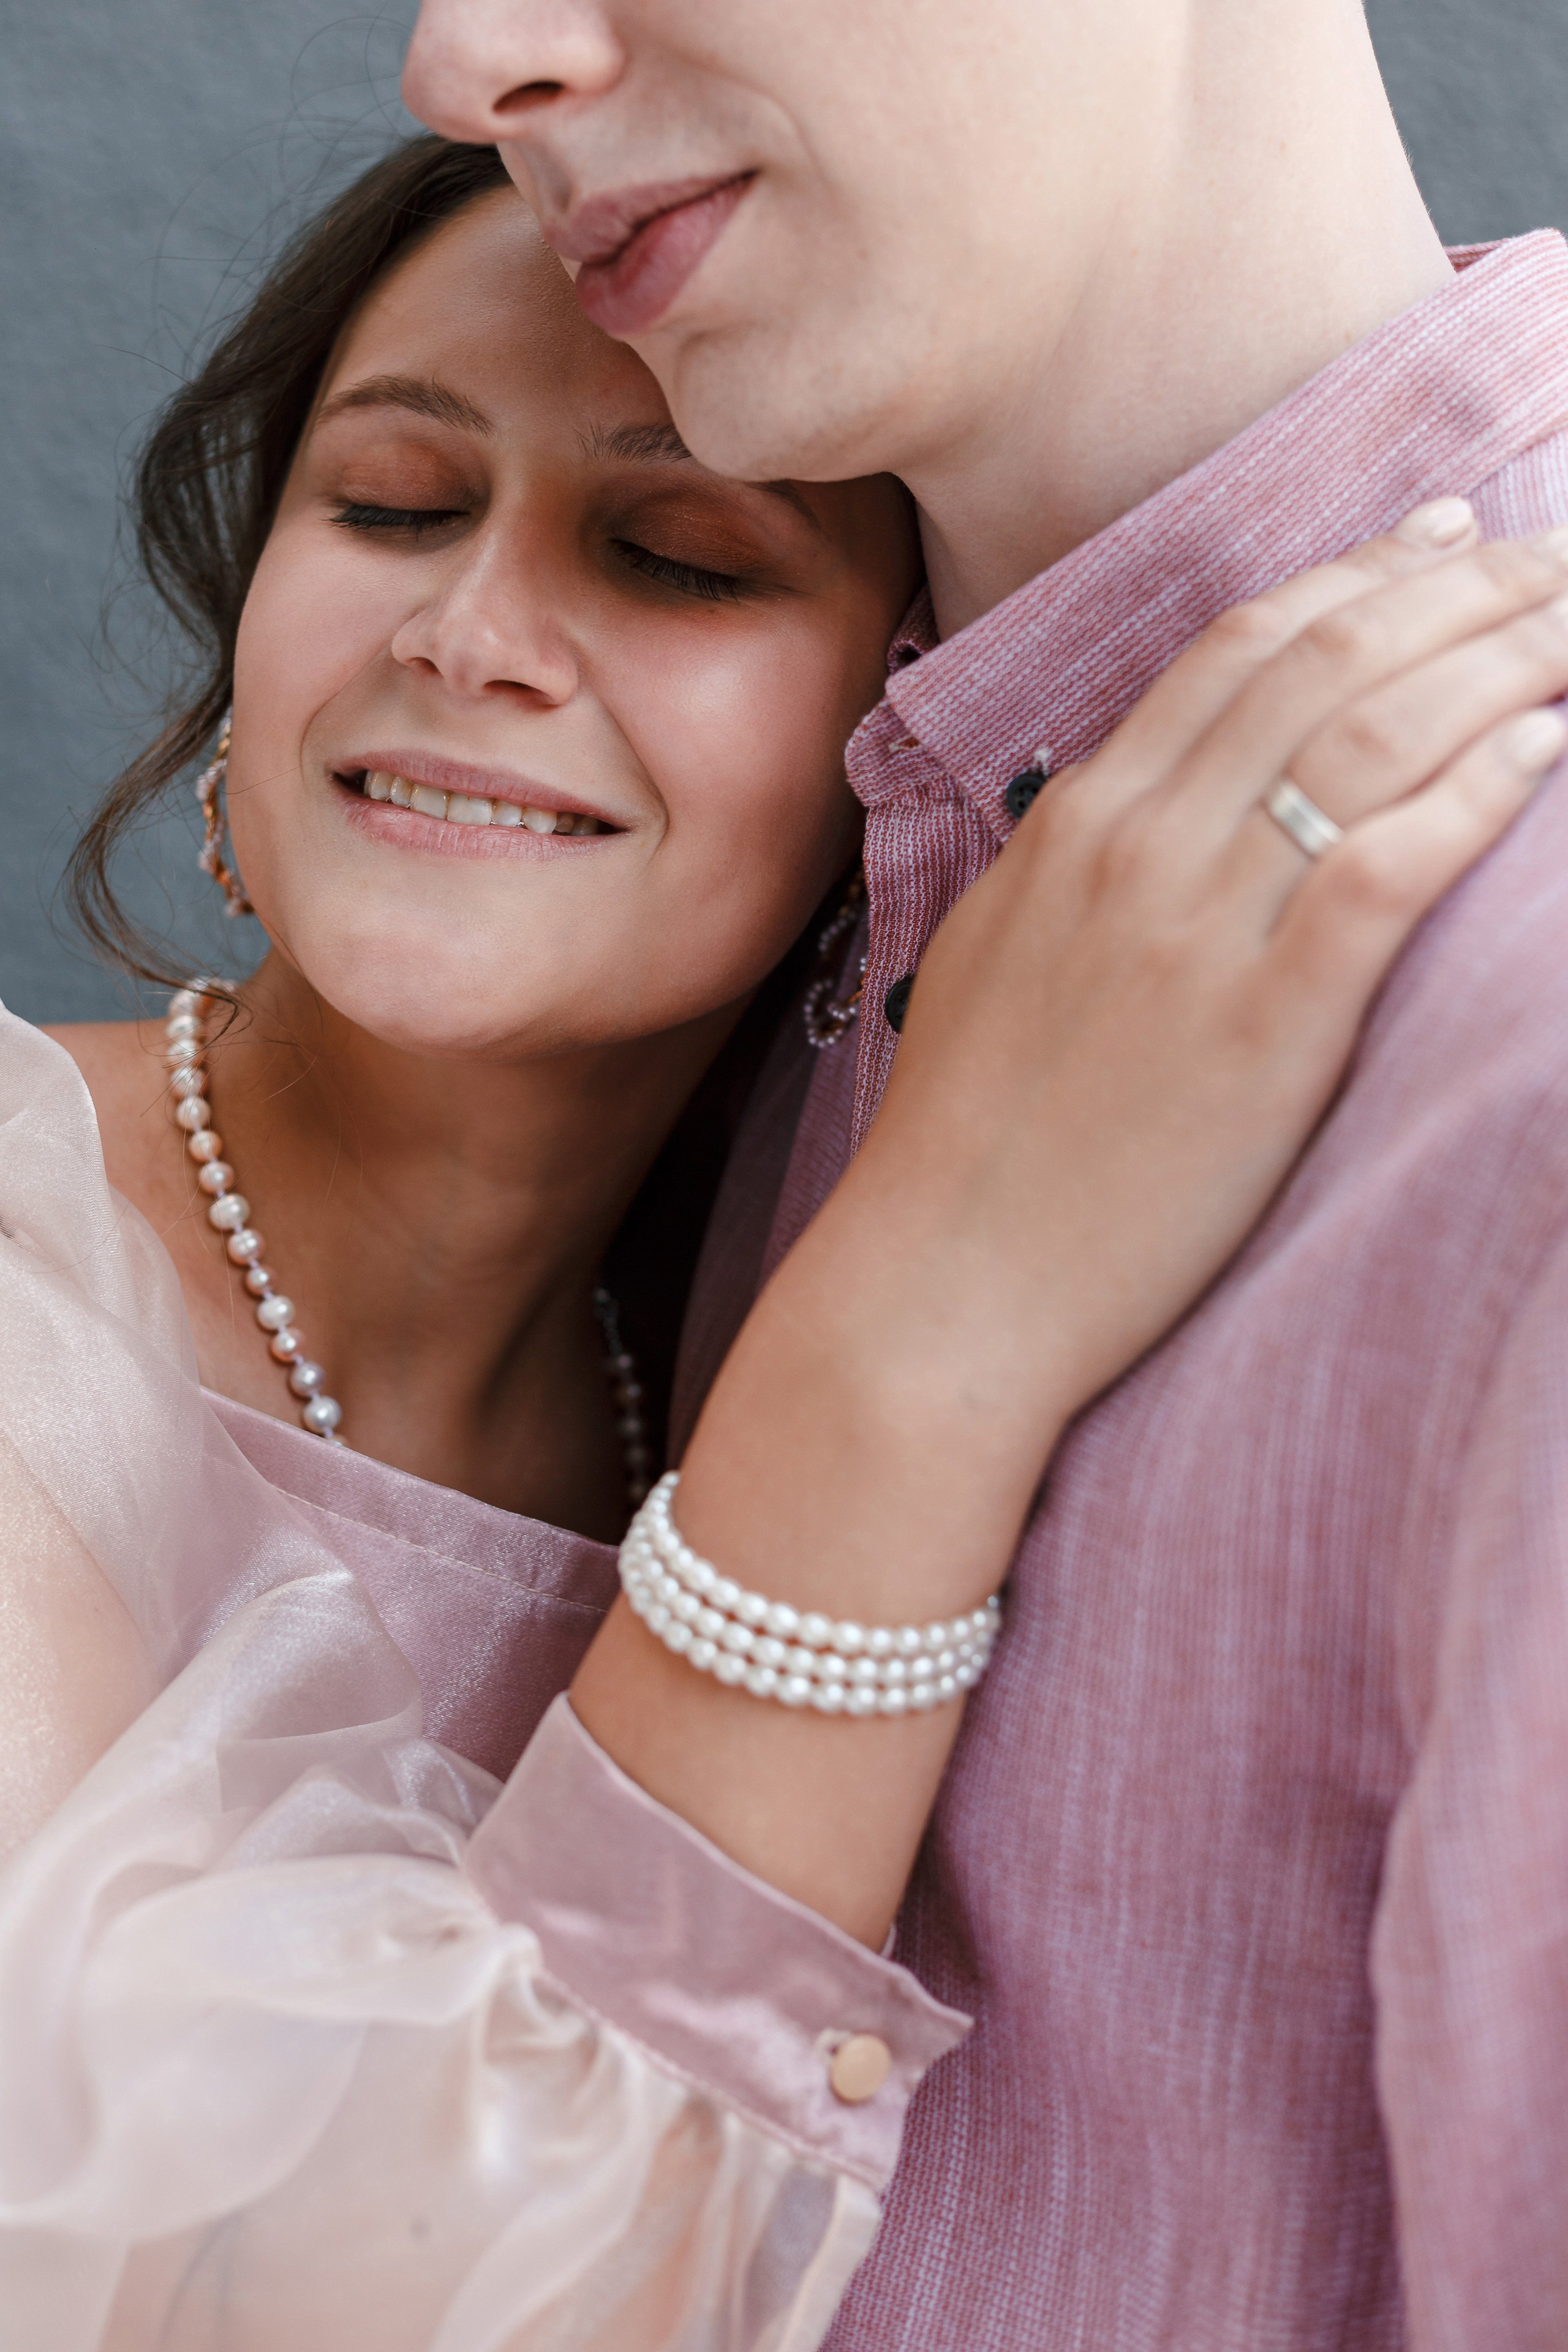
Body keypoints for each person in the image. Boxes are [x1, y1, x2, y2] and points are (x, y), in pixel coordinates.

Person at [1, 117, 1565, 2352]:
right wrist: (940, 1311)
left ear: (897, 749)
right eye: (394, 504)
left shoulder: (712, 1290)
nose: (471, 634)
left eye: (677, 558)